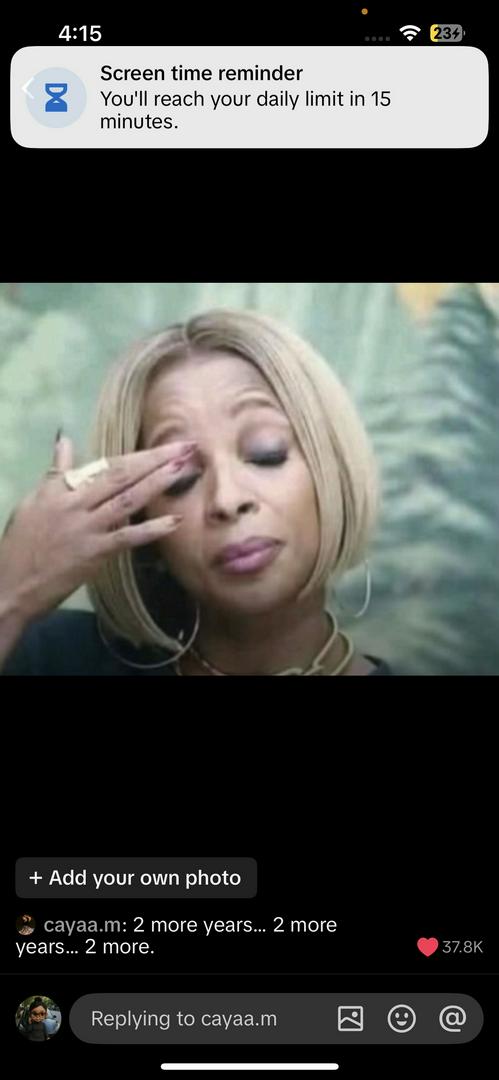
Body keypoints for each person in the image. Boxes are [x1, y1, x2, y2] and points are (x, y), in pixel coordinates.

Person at [0, 309, 392, 676]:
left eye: (265, 453)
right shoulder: (48, 656)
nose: (227, 500)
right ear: (142, 520)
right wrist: (9, 596)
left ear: (334, 471)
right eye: (182, 479)